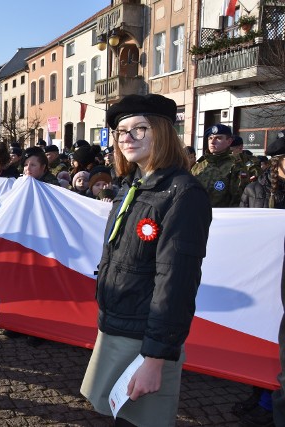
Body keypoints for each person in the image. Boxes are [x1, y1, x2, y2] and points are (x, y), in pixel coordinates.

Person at [80, 94, 212, 427]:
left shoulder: (183, 193)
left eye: (140, 128)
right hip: (116, 326)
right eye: (122, 130)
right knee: (117, 416)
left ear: (164, 133)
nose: (127, 137)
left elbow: (176, 283)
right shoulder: (133, 186)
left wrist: (154, 360)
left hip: (146, 339)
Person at [237, 136, 285, 426]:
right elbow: (244, 229)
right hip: (263, 275)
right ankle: (260, 396)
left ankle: (271, 402)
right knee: (263, 336)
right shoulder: (255, 189)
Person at [191, 124, 249, 207]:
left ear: (229, 141)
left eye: (218, 138)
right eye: (210, 138)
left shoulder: (235, 166)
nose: (212, 142)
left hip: (221, 216)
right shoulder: (198, 166)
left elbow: (238, 199)